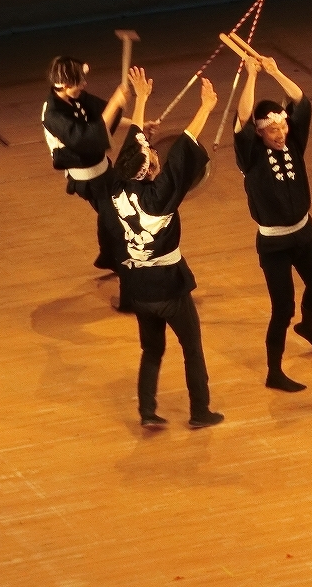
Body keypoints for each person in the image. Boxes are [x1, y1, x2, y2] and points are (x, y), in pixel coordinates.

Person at [110, 66, 223, 430]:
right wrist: (206, 108)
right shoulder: (159, 196)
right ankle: (200, 411)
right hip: (168, 286)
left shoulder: (117, 184)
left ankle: (147, 411)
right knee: (192, 348)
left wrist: (141, 99)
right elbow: (182, 152)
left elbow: (133, 145)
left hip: (138, 286)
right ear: (149, 169)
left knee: (152, 350)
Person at [234, 54, 312, 393]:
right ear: (259, 133)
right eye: (273, 130)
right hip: (274, 244)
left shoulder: (294, 143)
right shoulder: (250, 155)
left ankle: (308, 325)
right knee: (282, 309)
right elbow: (243, 117)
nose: (281, 134)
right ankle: (274, 371)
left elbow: (301, 101)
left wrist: (274, 72)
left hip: (303, 233)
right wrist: (251, 76)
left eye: (283, 127)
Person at [41, 56, 130, 275]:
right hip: (87, 180)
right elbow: (87, 138)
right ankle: (125, 267)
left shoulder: (77, 97)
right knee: (118, 220)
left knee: (112, 215)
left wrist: (138, 124)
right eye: (79, 81)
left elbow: (104, 116)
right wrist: (115, 102)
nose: (84, 84)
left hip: (103, 171)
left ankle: (109, 257)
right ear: (65, 84)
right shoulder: (54, 115)